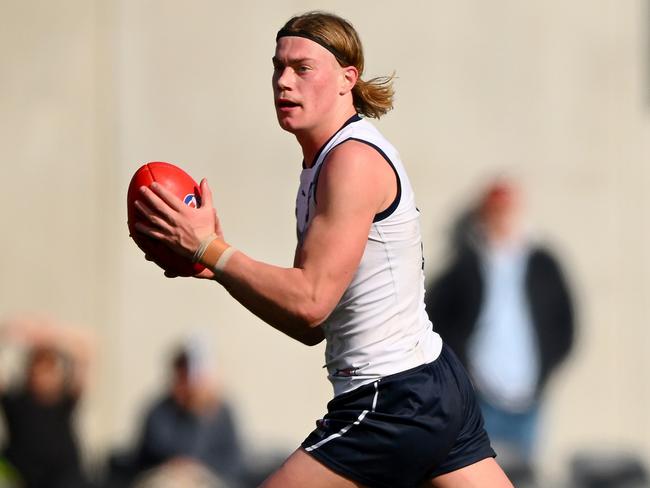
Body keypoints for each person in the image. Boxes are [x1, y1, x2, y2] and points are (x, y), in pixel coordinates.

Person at [133, 11, 513, 487]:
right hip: (428, 382)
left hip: (390, 397)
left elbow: (310, 304)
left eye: (302, 67)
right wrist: (217, 264)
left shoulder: (350, 161)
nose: (284, 81)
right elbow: (307, 324)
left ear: (346, 79)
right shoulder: (322, 164)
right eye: (277, 67)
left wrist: (210, 248)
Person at [425, 178, 575, 473]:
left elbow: (565, 324)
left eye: (506, 211)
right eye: (494, 212)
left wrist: (545, 369)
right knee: (481, 471)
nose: (501, 220)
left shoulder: (543, 263)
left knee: (524, 474)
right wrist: (463, 375)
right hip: (481, 395)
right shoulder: (465, 265)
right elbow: (436, 323)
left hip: (529, 394)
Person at [107, 343, 244, 487]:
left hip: (208, 478)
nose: (189, 384)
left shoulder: (221, 413)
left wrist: (200, 414)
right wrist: (177, 466)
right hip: (166, 476)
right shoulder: (159, 411)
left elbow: (233, 463)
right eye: (183, 376)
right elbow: (149, 454)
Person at [0, 316, 93, 488]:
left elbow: (86, 349)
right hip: (26, 477)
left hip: (67, 479)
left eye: (49, 371)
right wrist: (10, 332)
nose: (43, 378)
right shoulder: (15, 401)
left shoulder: (65, 401)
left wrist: (52, 334)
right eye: (38, 371)